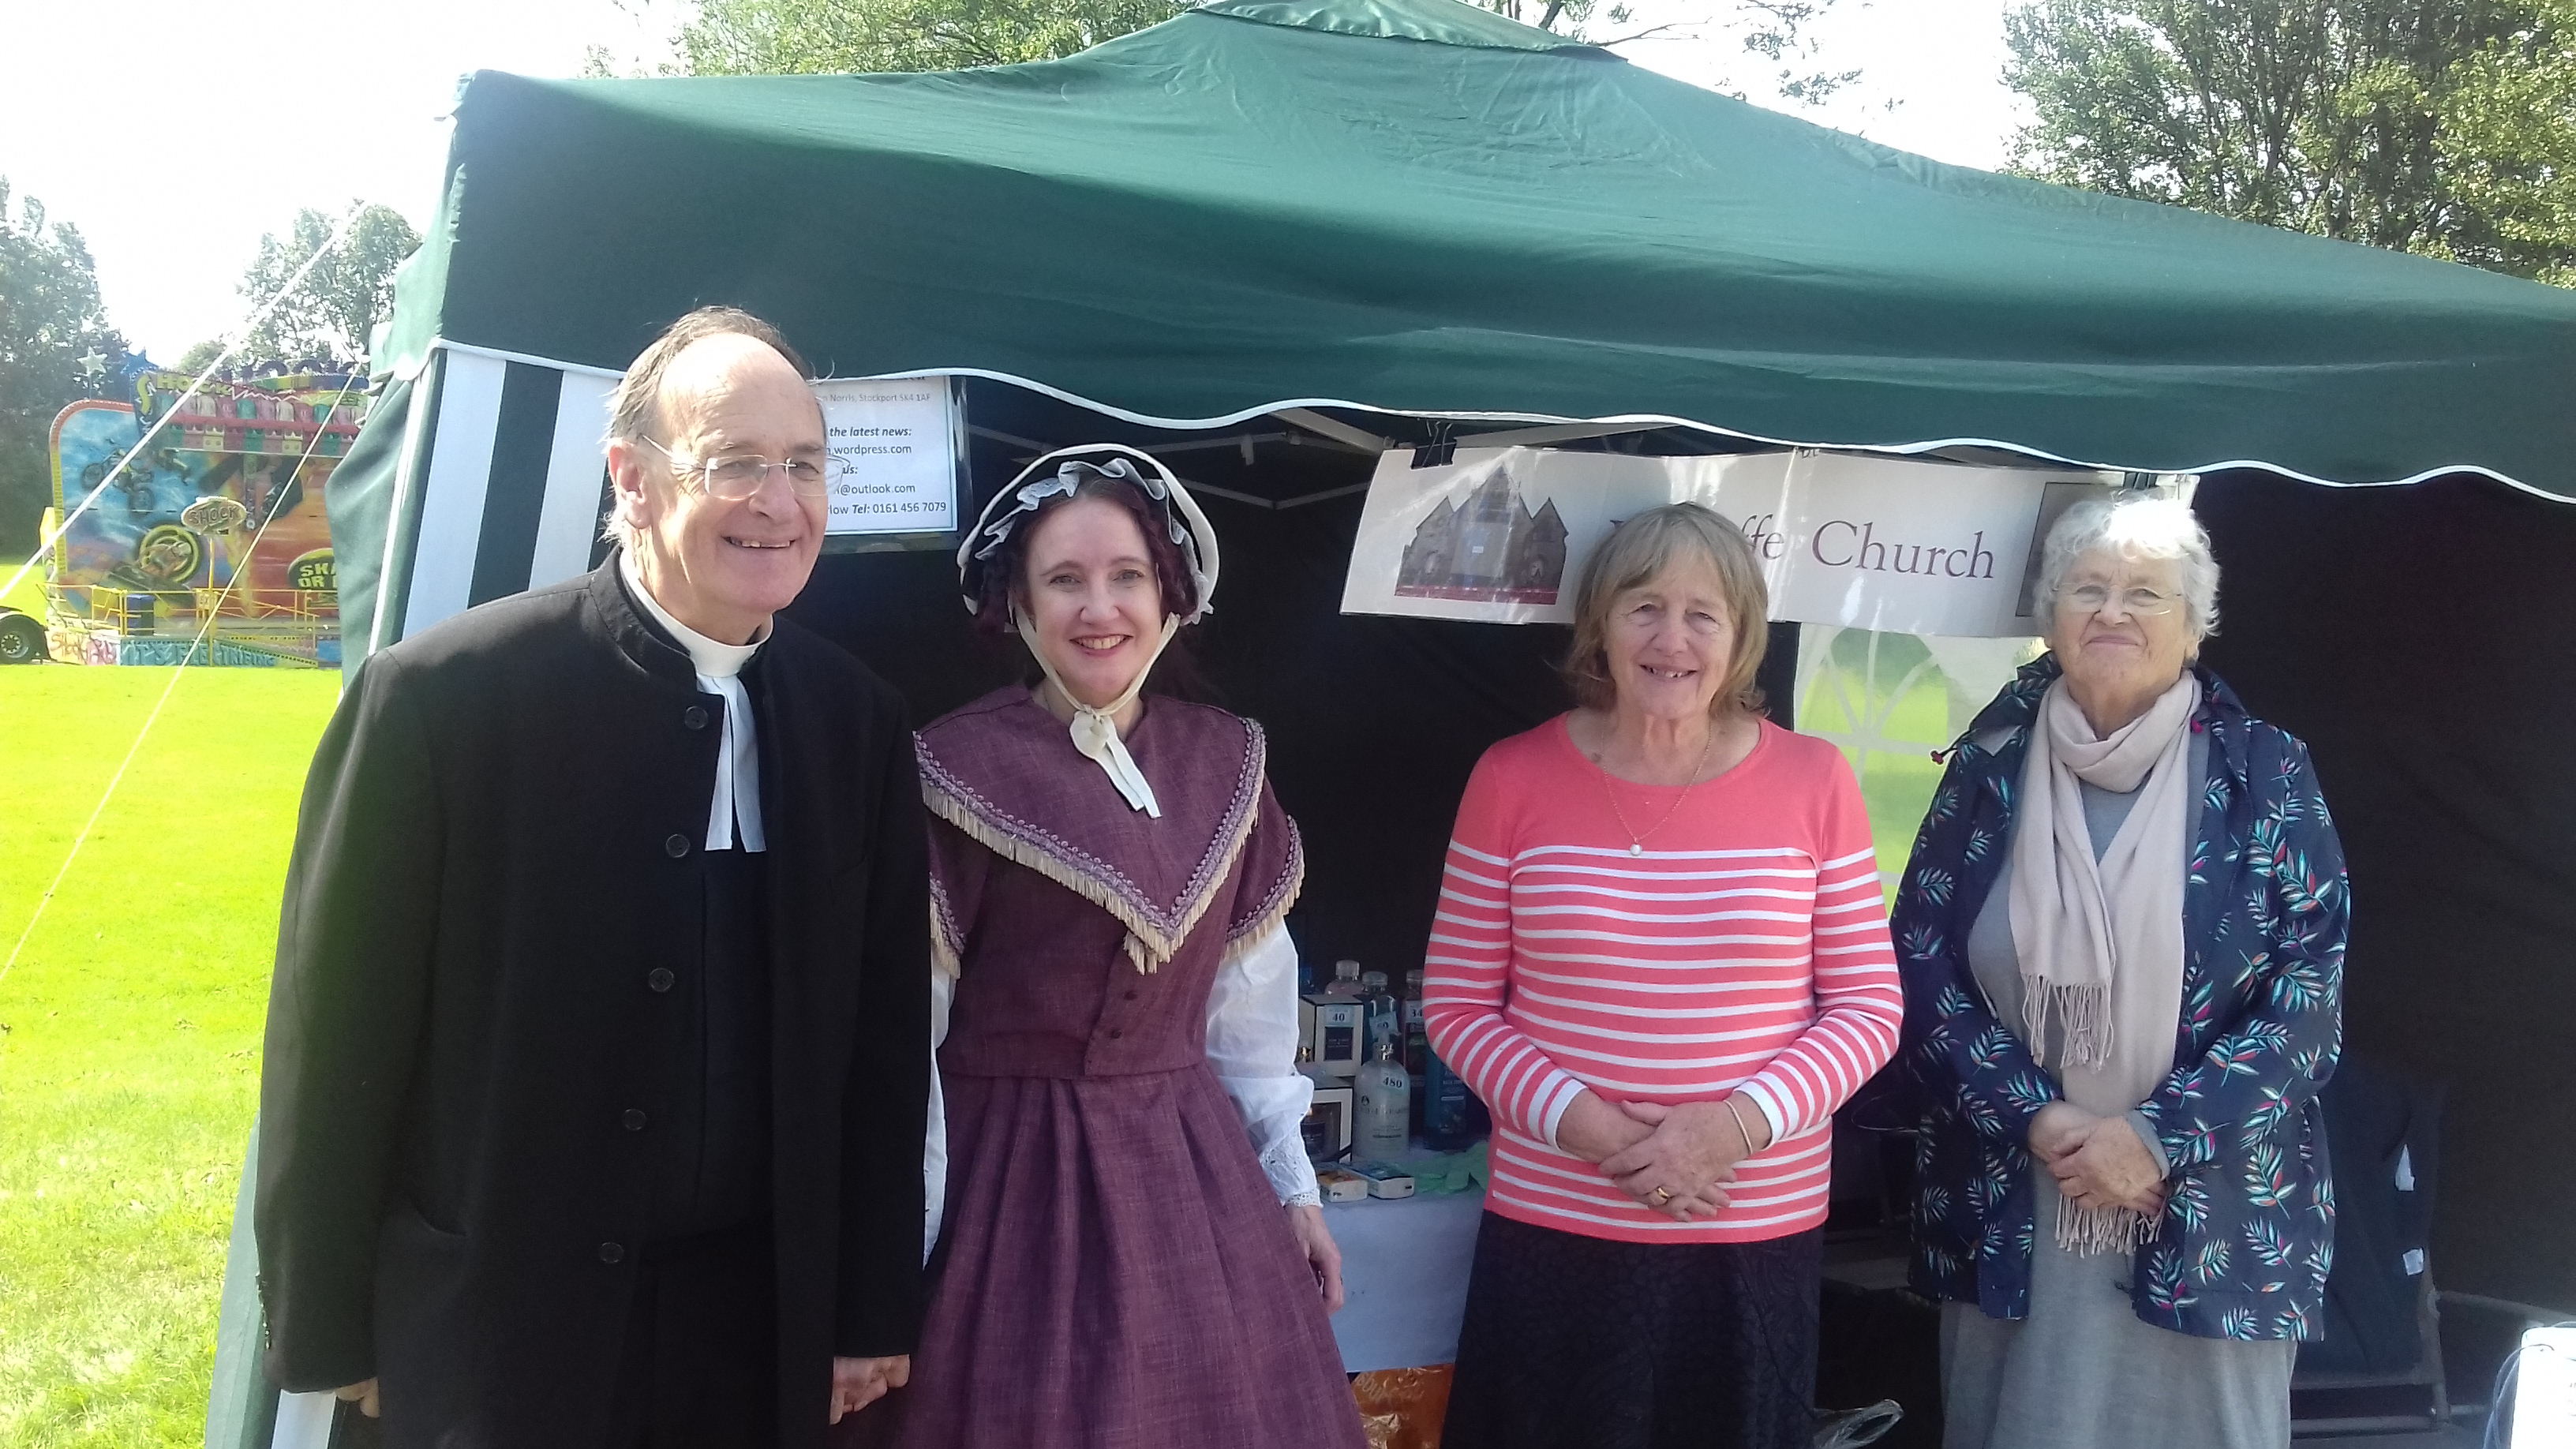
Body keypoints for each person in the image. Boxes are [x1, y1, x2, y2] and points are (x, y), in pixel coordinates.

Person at [253, 307, 931, 1449]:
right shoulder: (442, 702)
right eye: (736, 463)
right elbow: (335, 1037)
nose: (780, 501)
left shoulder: (854, 720)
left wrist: (869, 1302)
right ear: (633, 478)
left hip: (752, 1327)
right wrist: (328, 1324)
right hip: (506, 1331)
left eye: (806, 465)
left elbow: (879, 1039)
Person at [854, 445, 1365, 1449]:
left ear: (1170, 592)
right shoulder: (953, 770)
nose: (1100, 609)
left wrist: (1290, 1189)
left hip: (1193, 1180)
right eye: (1065, 580)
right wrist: (890, 1262)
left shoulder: (1226, 760)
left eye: (1126, 576)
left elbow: (1249, 1021)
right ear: (1018, 605)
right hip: (1005, 1191)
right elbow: (902, 1048)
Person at [1423, 502, 1904, 1449]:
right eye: (1644, 606)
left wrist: (1730, 1130)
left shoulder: (1817, 780)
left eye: (1703, 614)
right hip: (1557, 1224)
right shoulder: (1510, 777)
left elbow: (1868, 1008)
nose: (1671, 639)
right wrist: (1596, 1132)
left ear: (1741, 638)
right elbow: (1458, 1006)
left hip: (1747, 1233)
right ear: (1601, 623)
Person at [1889, 496, 2347, 1449]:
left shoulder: (2267, 771)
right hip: (2016, 1193)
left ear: (2193, 627)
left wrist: (2153, 1136)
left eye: (2147, 593)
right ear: (2052, 615)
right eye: (2088, 588)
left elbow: (2308, 998)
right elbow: (1917, 962)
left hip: (2204, 1206)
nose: (2113, 612)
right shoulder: (1988, 764)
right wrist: (2038, 1118)